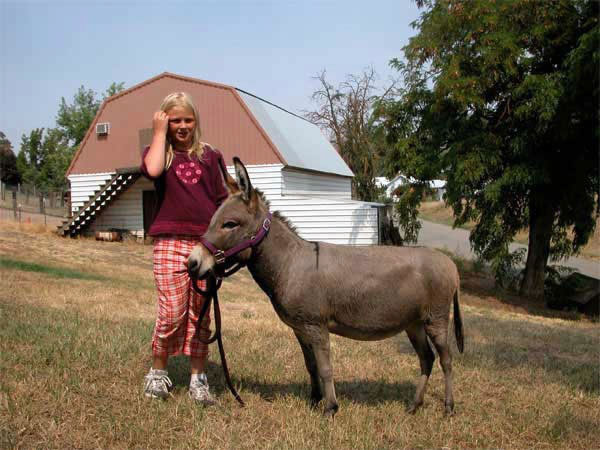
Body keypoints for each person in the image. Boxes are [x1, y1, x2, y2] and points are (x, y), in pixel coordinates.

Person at [140, 92, 228, 405]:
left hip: (203, 244)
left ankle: (198, 380)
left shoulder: (210, 156)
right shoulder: (159, 154)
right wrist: (159, 132)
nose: (182, 126)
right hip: (170, 242)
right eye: (174, 120)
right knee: (171, 314)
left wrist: (220, 243)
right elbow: (151, 171)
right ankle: (158, 373)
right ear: (165, 120)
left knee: (199, 317)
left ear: (196, 121)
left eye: (187, 120)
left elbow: (222, 200)